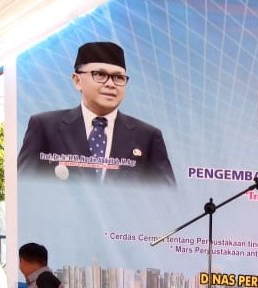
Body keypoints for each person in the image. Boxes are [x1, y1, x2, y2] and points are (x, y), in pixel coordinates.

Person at [17, 41, 175, 185]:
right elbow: (24, 189)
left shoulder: (147, 137)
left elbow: (168, 198)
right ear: (77, 80)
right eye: (100, 75)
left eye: (119, 77)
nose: (111, 84)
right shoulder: (45, 127)